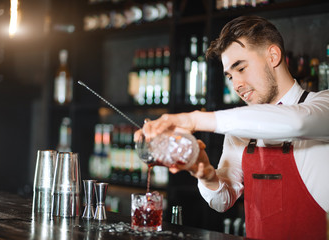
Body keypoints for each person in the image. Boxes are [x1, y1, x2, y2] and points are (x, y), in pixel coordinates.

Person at [137, 15, 329, 240]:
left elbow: (297, 123)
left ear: (273, 56)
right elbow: (222, 201)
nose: (236, 84)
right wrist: (207, 175)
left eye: (241, 68)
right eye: (230, 75)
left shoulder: (322, 104)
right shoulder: (241, 128)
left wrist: (193, 119)